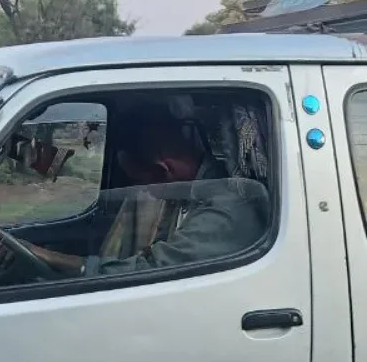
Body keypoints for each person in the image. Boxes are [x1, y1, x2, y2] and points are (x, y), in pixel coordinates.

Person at [26, 112, 267, 278]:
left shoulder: (223, 212)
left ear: (164, 170)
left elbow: (149, 270)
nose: (147, 194)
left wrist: (50, 258)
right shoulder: (189, 196)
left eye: (143, 184)